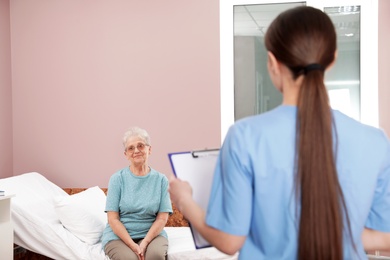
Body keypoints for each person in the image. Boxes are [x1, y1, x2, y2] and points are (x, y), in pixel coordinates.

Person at [169, 6, 390, 260]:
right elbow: (385, 236)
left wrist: (184, 200)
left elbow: (229, 241)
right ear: (333, 59)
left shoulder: (245, 136)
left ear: (273, 63)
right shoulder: (375, 142)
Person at [101, 126, 172, 260]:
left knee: (155, 256)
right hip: (119, 237)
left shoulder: (161, 180)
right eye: (131, 148)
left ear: (149, 149)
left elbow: (162, 218)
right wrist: (133, 246)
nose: (136, 151)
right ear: (126, 154)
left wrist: (144, 243)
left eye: (141, 146)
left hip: (151, 234)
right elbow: (113, 219)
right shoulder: (117, 179)